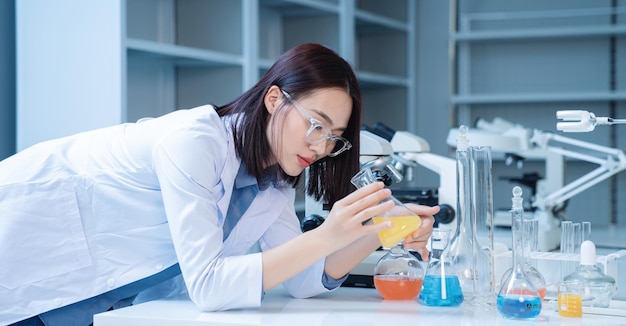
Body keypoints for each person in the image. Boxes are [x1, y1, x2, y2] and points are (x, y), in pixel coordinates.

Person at [1, 43, 438, 326]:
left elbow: (304, 280)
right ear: (274, 100)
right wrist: (328, 234)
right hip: (27, 252)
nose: (321, 147)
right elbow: (209, 286)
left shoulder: (271, 184)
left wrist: (377, 229)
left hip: (87, 302)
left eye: (333, 137)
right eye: (315, 125)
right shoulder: (194, 142)